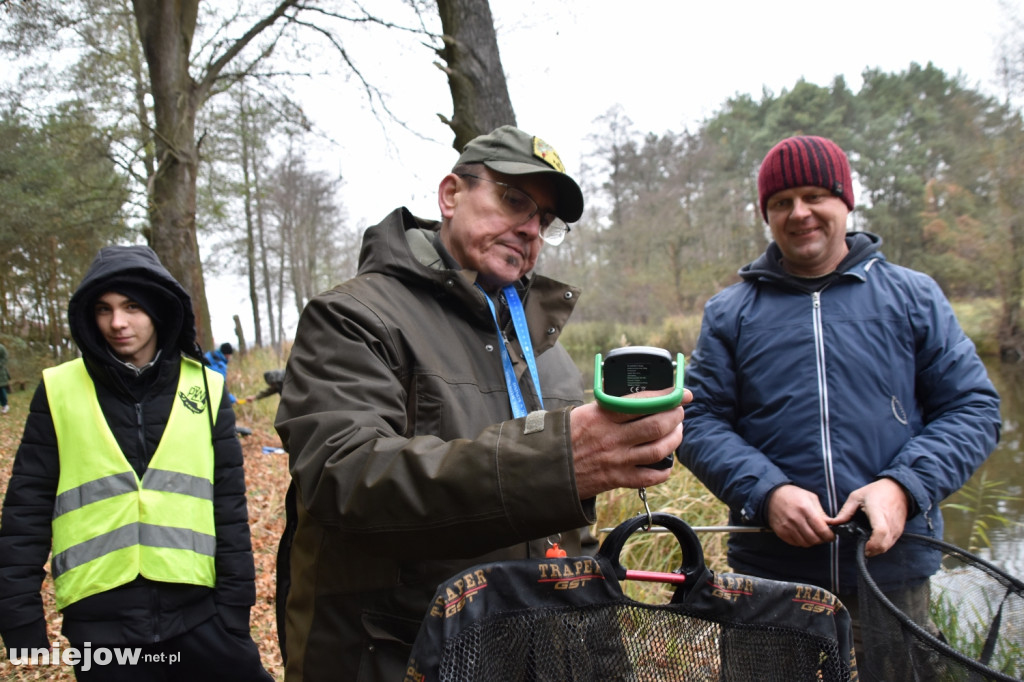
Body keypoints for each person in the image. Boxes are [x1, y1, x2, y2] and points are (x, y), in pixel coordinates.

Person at [274, 125, 688, 681]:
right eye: (513, 198)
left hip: (527, 656)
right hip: (400, 654)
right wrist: (558, 458)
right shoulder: (353, 317)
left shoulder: (547, 353)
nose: (529, 228)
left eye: (543, 219)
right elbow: (343, 478)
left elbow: (572, 541)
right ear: (451, 195)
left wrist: (601, 661)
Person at [679, 135, 1002, 673]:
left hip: (890, 567)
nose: (798, 213)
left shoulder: (914, 296)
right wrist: (768, 492)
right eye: (781, 202)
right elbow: (698, 419)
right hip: (769, 572)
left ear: (845, 203)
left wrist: (903, 488)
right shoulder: (730, 312)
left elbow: (973, 408)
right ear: (767, 214)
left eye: (813, 196)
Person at [0, 245, 273, 681]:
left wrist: (235, 613)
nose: (117, 323)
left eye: (132, 306)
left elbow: (229, 507)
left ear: (159, 310)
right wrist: (21, 625)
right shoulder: (58, 390)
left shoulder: (206, 387)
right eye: (104, 309)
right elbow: (25, 512)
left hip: (200, 618)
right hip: (102, 628)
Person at [0, 341, 9, 414]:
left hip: (1, 373)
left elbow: (5, 357)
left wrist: (0, 364)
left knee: (2, 390)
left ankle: (5, 405)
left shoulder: (1, 348)